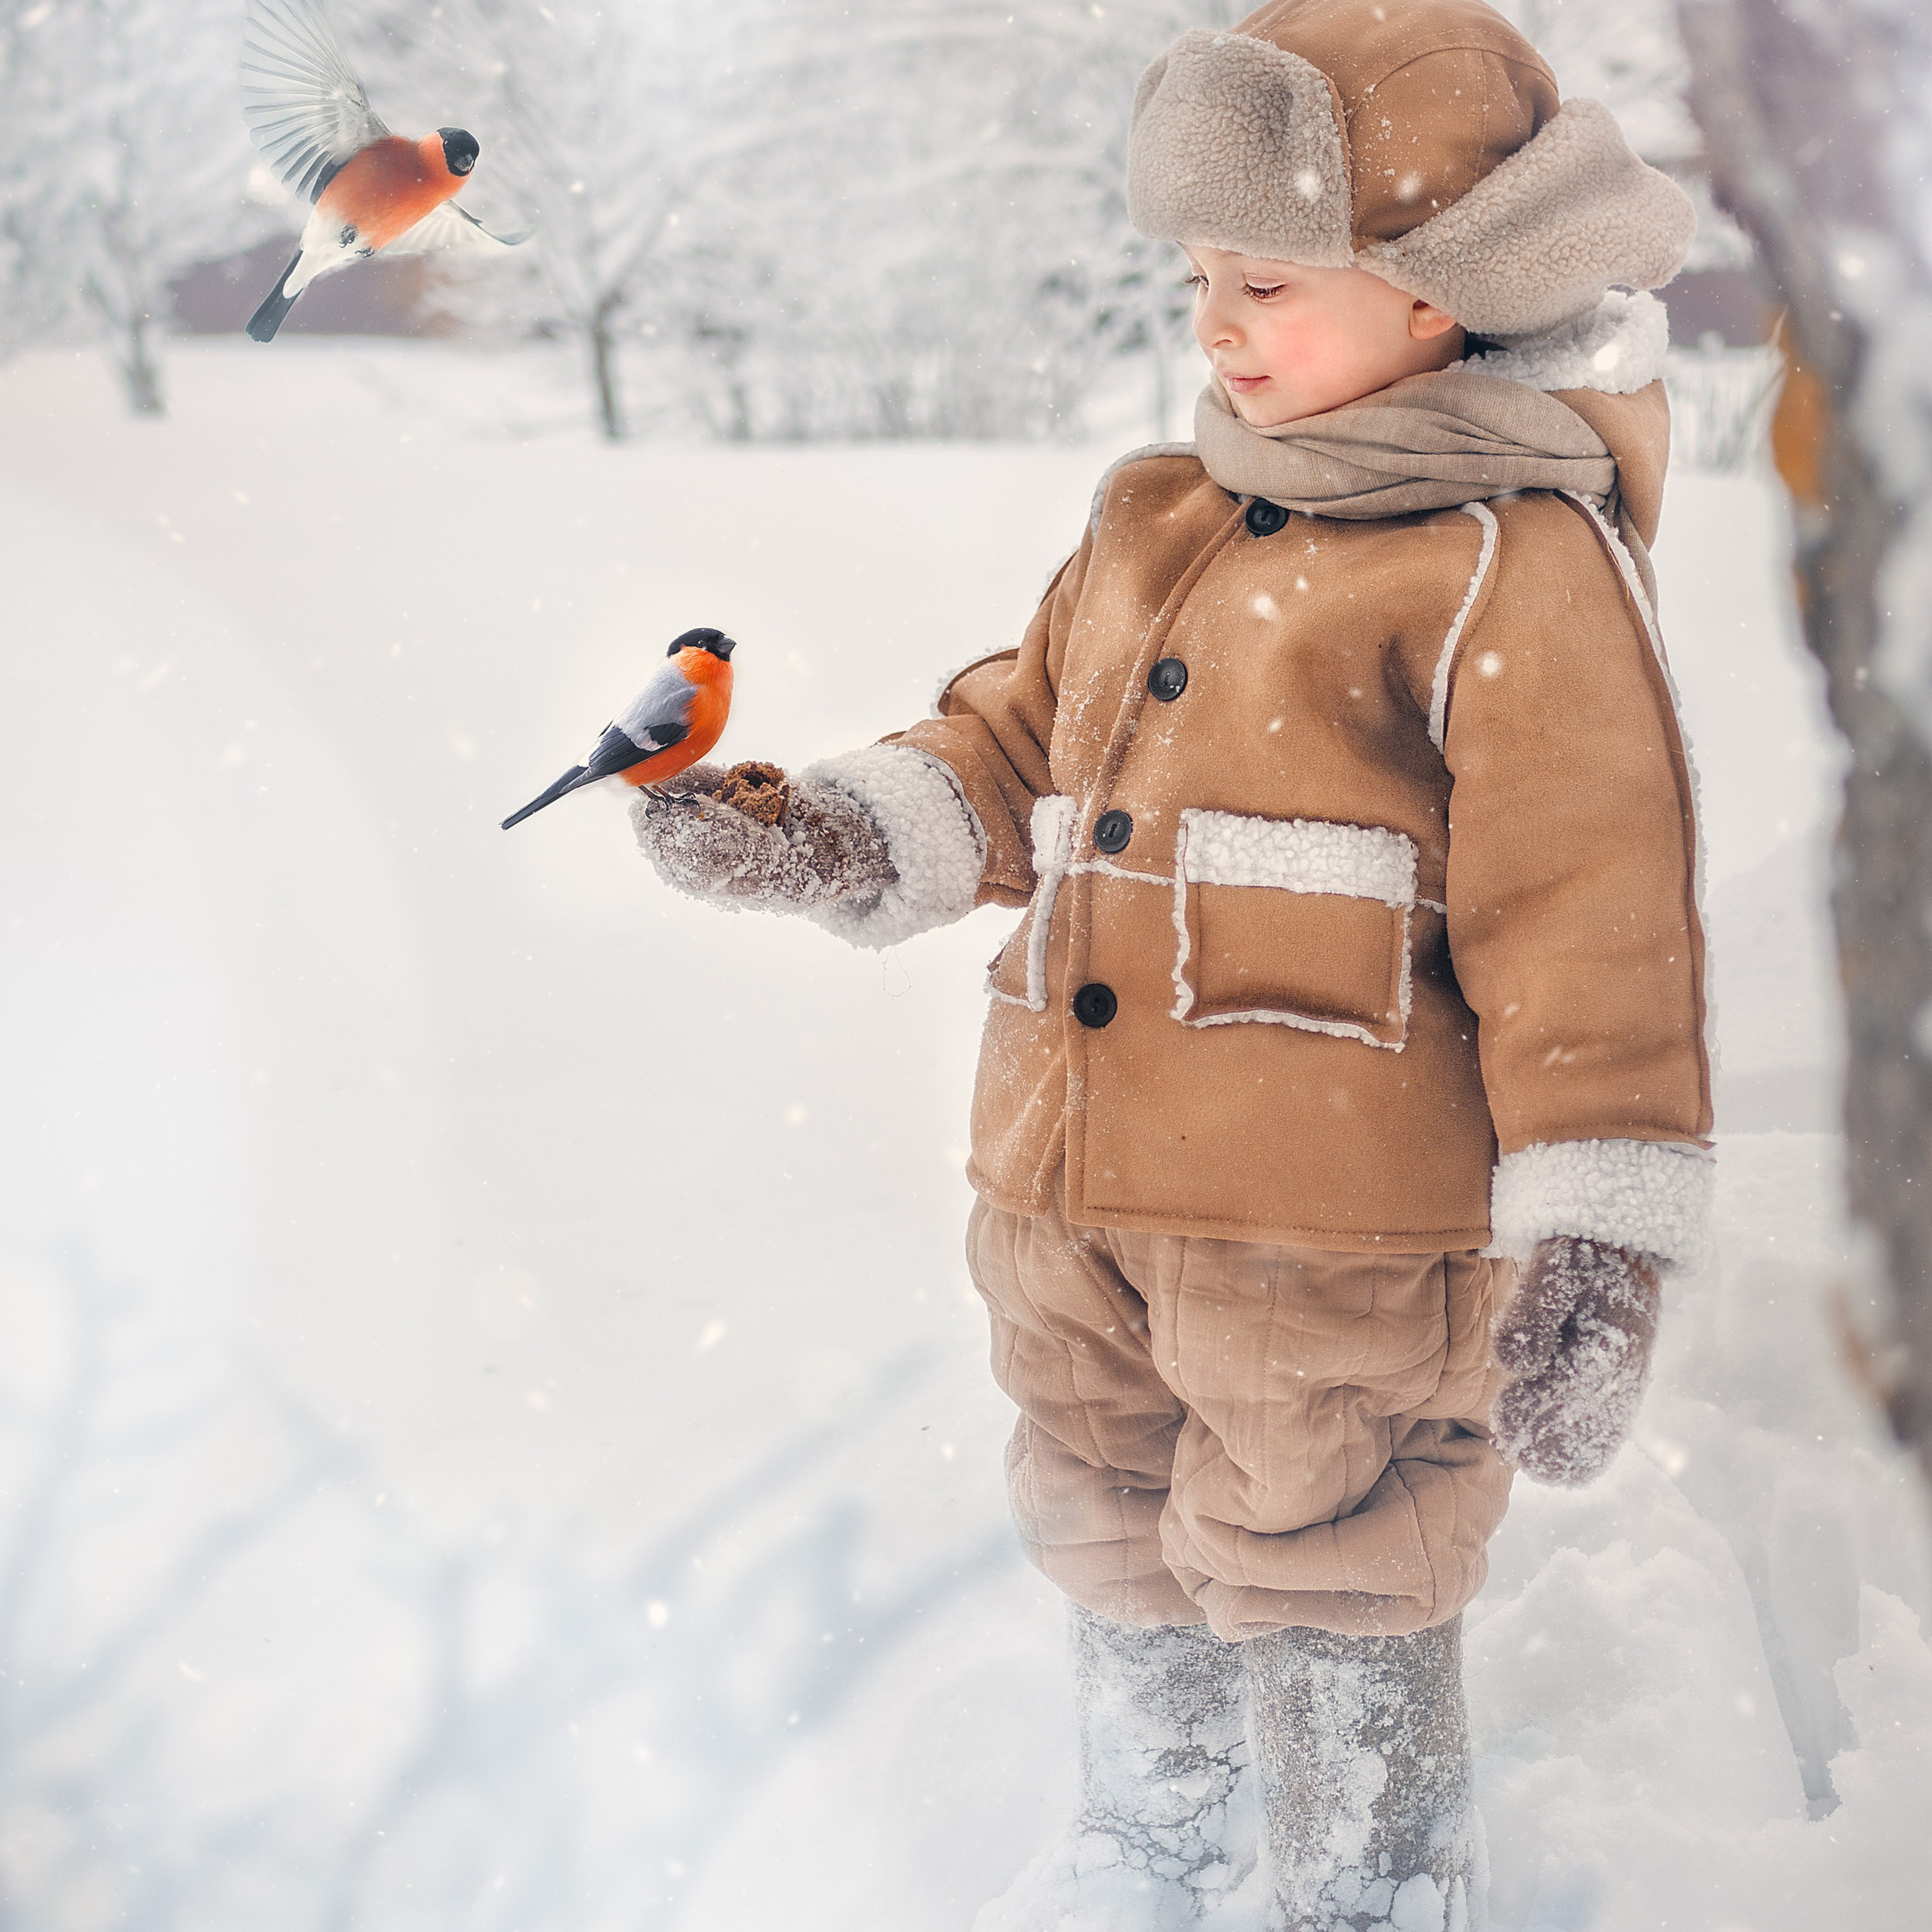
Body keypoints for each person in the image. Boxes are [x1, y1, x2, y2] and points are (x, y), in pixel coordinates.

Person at [635, 2, 1712, 1925]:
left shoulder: (1506, 564)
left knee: (1324, 1539)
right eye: (1202, 275)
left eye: (1268, 280)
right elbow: (1012, 738)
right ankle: (1156, 1824)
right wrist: (840, 830)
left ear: (1440, 292)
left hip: (1335, 1227)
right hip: (1067, 1184)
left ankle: (1363, 1874)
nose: (1215, 320)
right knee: (1105, 1510)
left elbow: (1594, 919)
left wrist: (1599, 1227)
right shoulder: (1157, 511)